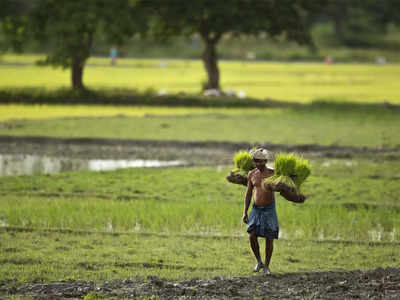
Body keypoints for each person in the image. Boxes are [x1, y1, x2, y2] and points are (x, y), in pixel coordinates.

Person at [242, 148, 278, 275]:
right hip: (256, 209)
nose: (259, 164)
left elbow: (284, 188)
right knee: (252, 235)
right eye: (256, 161)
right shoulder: (252, 174)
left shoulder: (273, 174)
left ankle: (267, 266)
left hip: (269, 209)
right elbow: (248, 194)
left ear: (266, 161)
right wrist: (245, 212)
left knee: (269, 237)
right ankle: (259, 261)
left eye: (261, 161)